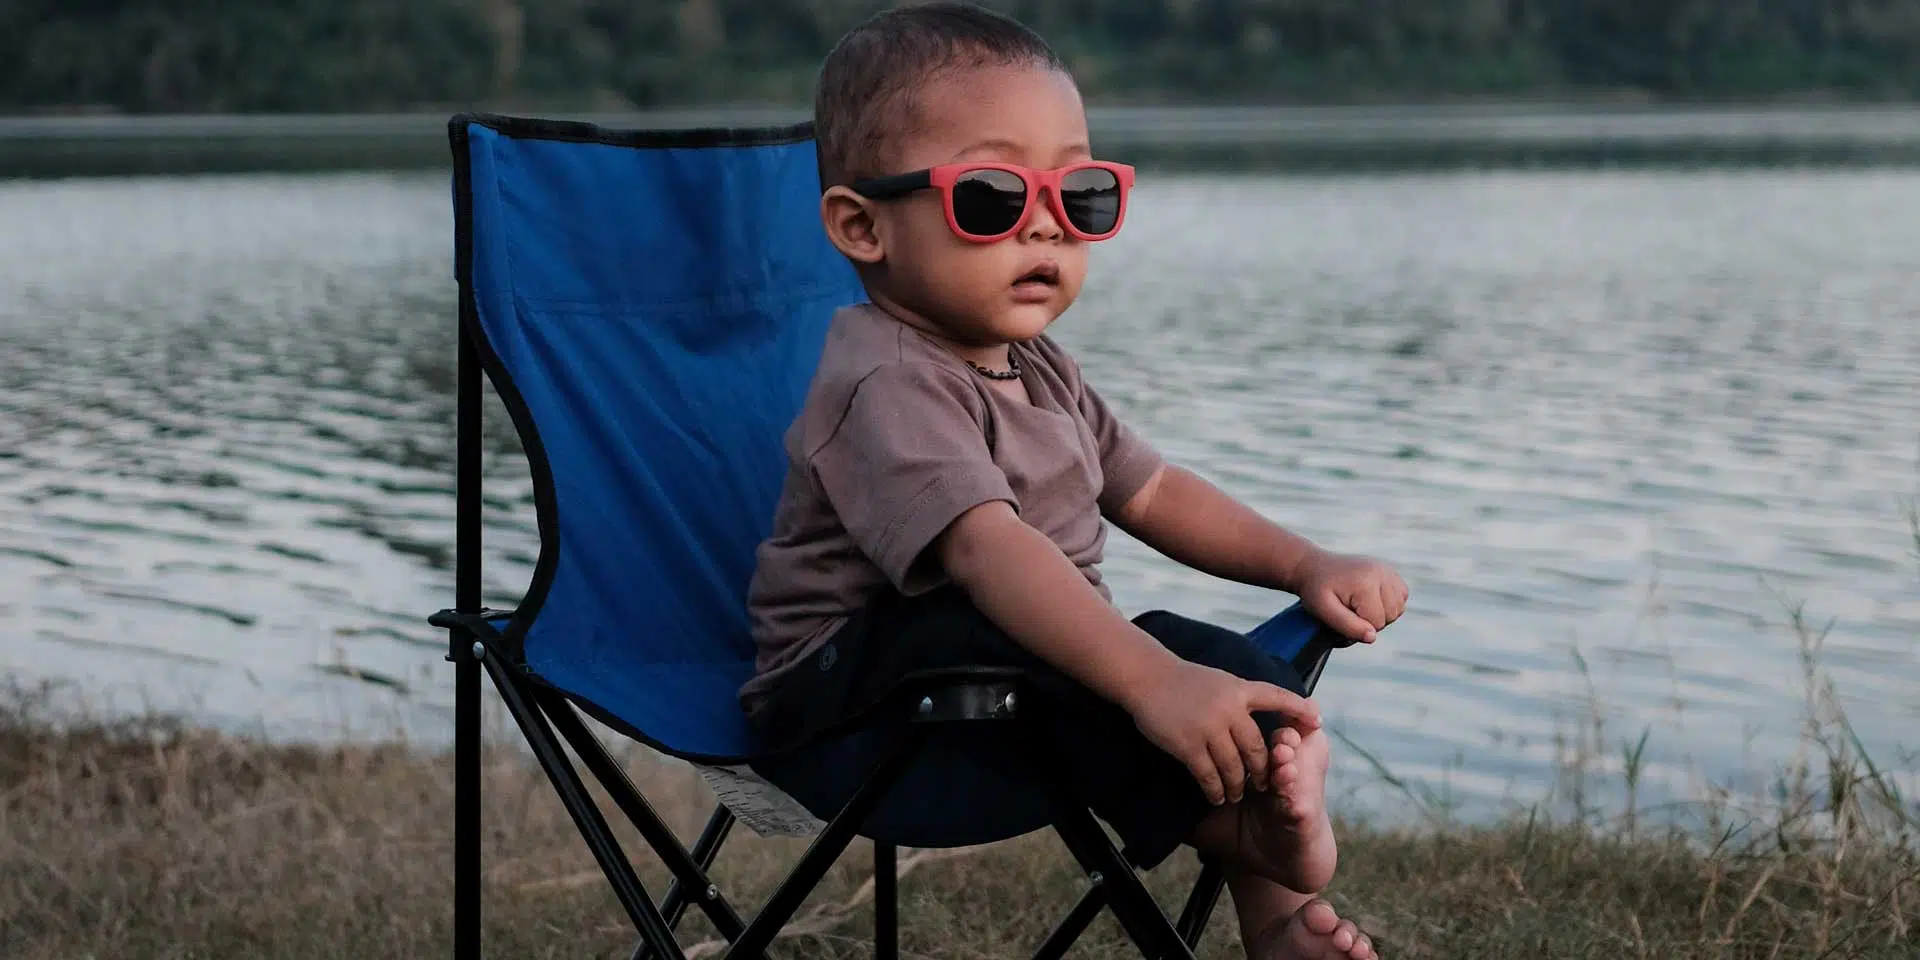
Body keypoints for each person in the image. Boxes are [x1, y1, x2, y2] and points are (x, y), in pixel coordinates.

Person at [741, 5, 1406, 957]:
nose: (1048, 223)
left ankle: (1275, 918)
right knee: (1045, 636)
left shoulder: (1037, 364)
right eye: (992, 197)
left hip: (1003, 690)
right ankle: (1239, 826)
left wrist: (1303, 565)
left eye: (1082, 194)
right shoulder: (886, 381)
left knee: (1214, 663)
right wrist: (1152, 682)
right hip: (852, 721)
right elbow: (988, 549)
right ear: (862, 227)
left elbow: (1152, 490)